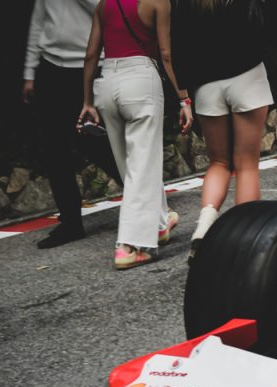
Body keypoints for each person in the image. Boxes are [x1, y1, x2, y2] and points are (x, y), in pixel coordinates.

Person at [80, 0, 193, 270]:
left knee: (130, 166)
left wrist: (86, 102)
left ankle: (160, 224)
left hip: (106, 83)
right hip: (141, 79)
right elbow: (166, 54)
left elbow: (91, 55)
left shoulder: (104, 5)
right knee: (143, 164)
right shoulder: (158, 2)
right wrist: (184, 99)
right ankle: (129, 246)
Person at [171, 0, 271, 256]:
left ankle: (204, 224)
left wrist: (185, 91)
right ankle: (245, 235)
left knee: (219, 162)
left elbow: (178, 45)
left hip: (206, 85)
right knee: (246, 164)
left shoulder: (187, 4)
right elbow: (267, 24)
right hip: (248, 75)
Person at [23, 0, 123, 249]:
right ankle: (70, 223)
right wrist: (29, 71)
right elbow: (38, 22)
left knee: (93, 143)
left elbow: (108, 9)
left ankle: (145, 199)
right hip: (50, 65)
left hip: (88, 65)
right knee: (54, 149)